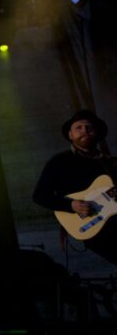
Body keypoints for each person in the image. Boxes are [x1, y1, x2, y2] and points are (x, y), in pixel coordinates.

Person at [33, 109, 117, 265]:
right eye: (78, 128)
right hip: (93, 225)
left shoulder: (111, 163)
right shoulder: (59, 162)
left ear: (97, 133)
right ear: (70, 135)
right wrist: (71, 205)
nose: (84, 131)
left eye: (89, 127)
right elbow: (39, 195)